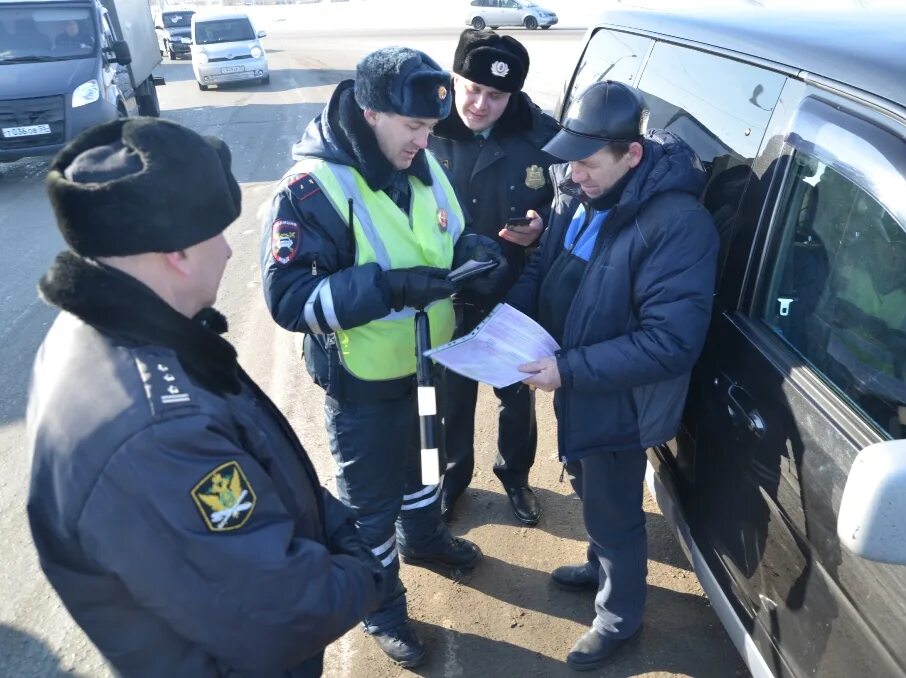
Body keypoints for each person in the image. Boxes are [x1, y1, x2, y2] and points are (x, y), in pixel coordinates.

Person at [26, 117, 385, 677]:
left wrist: (330, 524)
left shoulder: (105, 328)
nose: (227, 250)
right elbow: (285, 612)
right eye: (217, 233)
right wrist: (368, 568)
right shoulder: (158, 433)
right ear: (175, 252)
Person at [261, 46, 509, 668]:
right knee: (369, 506)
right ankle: (381, 606)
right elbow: (289, 300)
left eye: (430, 128)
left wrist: (478, 254)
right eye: (414, 128)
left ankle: (424, 538)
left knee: (424, 467)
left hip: (426, 367)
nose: (425, 141)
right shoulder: (311, 189)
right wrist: (392, 288)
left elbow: (448, 235)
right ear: (371, 113)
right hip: (362, 385)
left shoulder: (422, 166)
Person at [505, 80, 719, 671]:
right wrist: (504, 321)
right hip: (570, 379)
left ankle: (619, 617)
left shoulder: (677, 225)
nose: (574, 175)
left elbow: (671, 342)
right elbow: (545, 269)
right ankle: (599, 566)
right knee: (581, 479)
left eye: (588, 162)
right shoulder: (580, 197)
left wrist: (567, 370)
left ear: (633, 154)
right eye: (570, 160)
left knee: (615, 508)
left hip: (616, 398)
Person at [428, 29, 559, 526]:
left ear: (515, 96)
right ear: (454, 78)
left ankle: (516, 476)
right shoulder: (426, 126)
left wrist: (542, 230)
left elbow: (569, 201)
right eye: (472, 89)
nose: (480, 105)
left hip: (511, 288)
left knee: (516, 393)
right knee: (450, 398)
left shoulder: (541, 136)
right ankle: (452, 478)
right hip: (444, 289)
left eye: (497, 96)